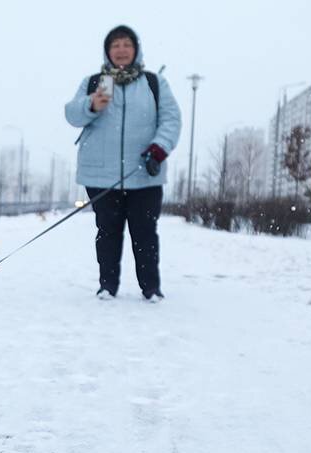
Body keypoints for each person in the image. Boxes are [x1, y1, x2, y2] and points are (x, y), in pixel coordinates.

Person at [64, 25, 181, 302]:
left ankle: (151, 289)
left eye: (126, 44)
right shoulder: (94, 82)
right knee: (107, 232)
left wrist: (158, 150)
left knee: (145, 233)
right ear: (108, 52)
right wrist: (91, 105)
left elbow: (171, 120)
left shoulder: (154, 83)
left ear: (135, 49)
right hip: (101, 176)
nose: (121, 50)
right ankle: (107, 286)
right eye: (115, 45)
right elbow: (72, 115)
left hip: (144, 173)